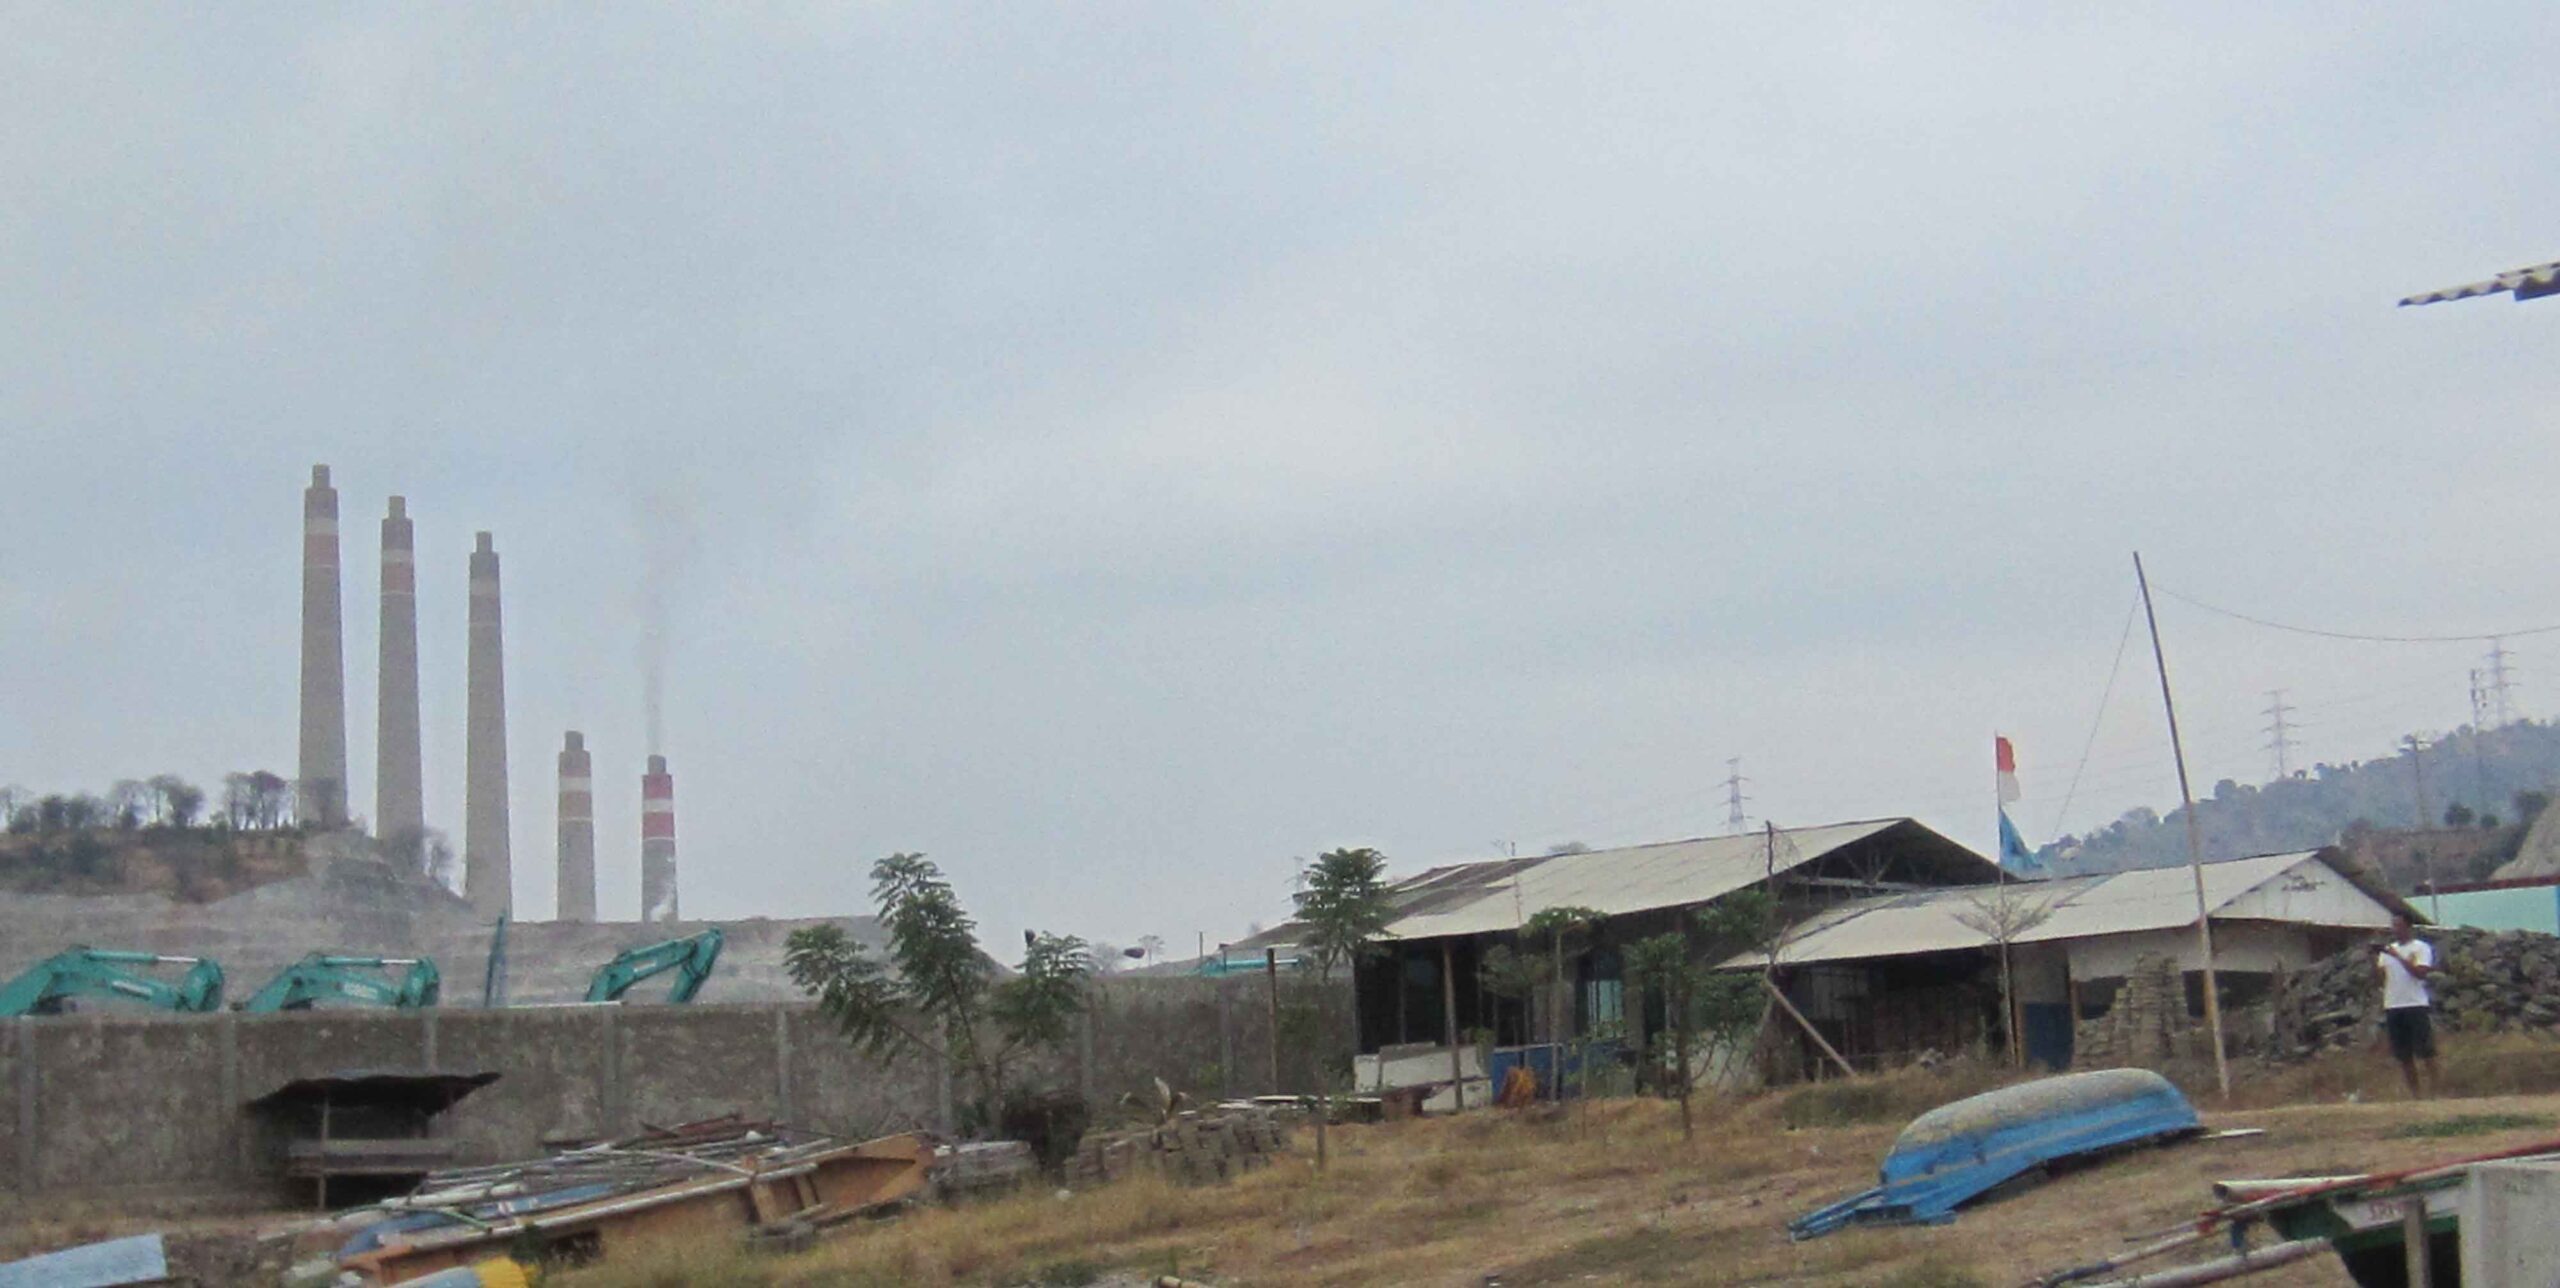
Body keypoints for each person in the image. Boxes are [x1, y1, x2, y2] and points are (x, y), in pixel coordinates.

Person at [2376, 913, 2438, 1098]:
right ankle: (2415, 1094)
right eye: (2393, 926)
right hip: (2394, 1005)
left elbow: (2420, 973)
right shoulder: (2387, 951)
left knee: (2426, 1051)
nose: (2395, 930)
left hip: (2415, 1004)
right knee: (2404, 1055)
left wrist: (2398, 957)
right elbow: (2379, 979)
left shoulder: (2420, 948)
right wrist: (2373, 958)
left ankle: (2436, 1091)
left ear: (2408, 927)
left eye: (2399, 926)